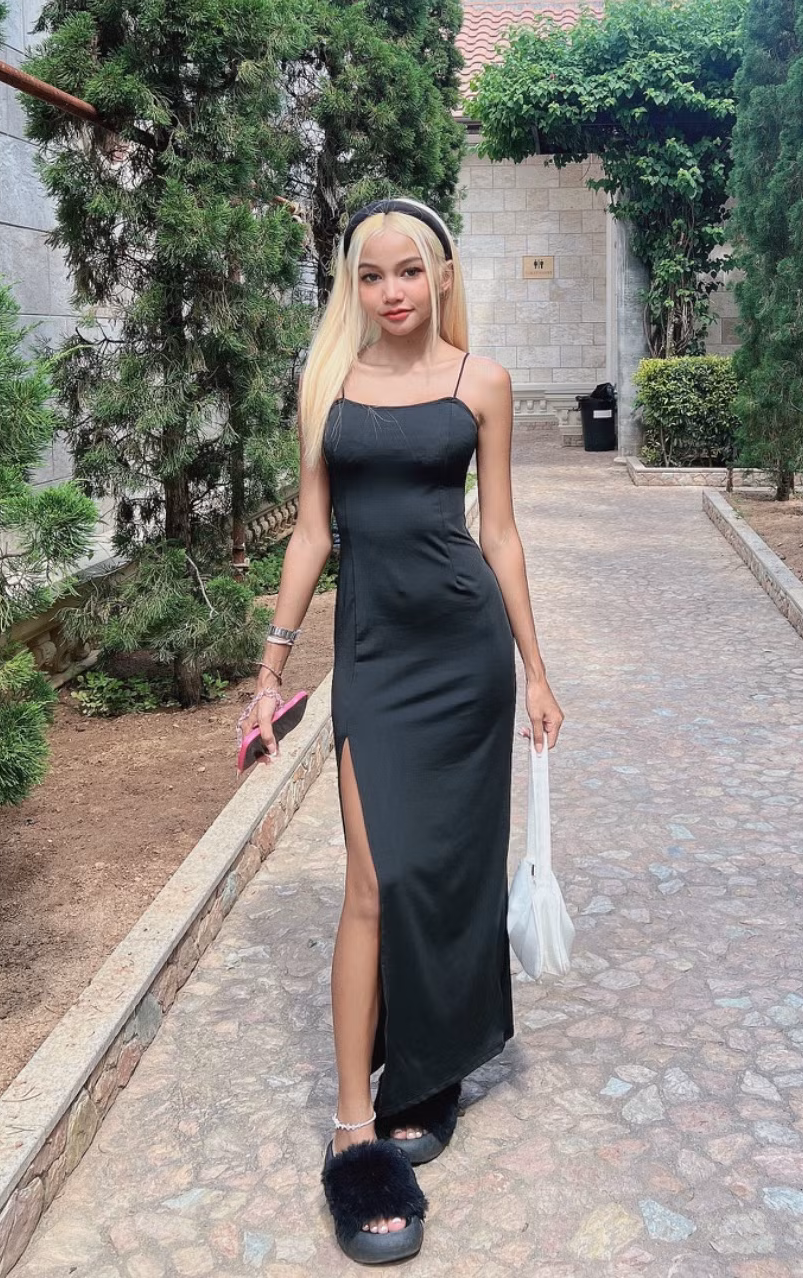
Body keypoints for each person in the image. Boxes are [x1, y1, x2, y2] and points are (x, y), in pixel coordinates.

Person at [242, 196, 564, 1264]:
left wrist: (537, 671)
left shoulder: (482, 383)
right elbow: (311, 532)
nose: (391, 292)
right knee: (375, 881)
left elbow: (499, 534)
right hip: (376, 661)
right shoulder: (327, 384)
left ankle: (432, 1063)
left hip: (465, 654)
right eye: (371, 274)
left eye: (410, 271)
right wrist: (272, 667)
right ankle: (353, 1127)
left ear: (441, 275)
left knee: (450, 870)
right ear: (353, 286)